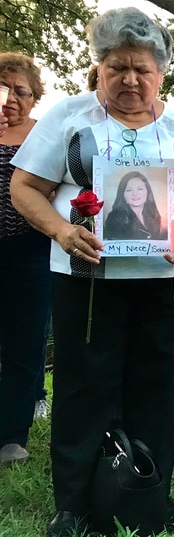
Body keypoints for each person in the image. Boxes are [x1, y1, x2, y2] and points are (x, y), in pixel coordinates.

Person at [10, 8, 174, 535]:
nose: (130, 79)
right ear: (100, 68)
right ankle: (75, 506)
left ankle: (147, 496)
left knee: (154, 388)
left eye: (142, 69)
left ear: (161, 73)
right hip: (85, 280)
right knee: (85, 388)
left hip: (165, 281)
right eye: (118, 68)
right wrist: (62, 231)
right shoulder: (70, 118)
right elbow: (23, 188)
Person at [0, 53, 52, 466]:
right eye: (5, 88)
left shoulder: (44, 136)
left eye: (23, 91)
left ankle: (12, 435)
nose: (13, 98)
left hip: (30, 250)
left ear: (35, 98)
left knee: (24, 344)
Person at [103, 170, 166, 240]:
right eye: (129, 190)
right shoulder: (115, 218)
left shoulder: (154, 216)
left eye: (140, 189)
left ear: (148, 192)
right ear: (122, 194)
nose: (135, 194)